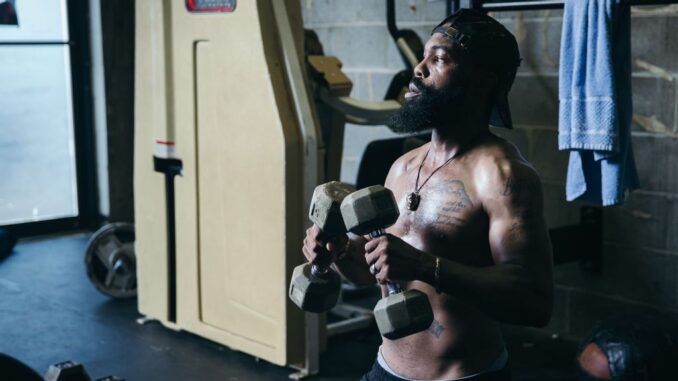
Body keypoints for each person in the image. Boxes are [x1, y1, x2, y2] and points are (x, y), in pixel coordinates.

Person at [303, 9, 553, 381]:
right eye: (423, 56)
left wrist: (425, 266)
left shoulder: (502, 175)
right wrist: (339, 251)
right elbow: (374, 273)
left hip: (464, 375)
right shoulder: (402, 166)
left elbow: (534, 301)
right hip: (385, 370)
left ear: (482, 82)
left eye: (438, 59)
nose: (418, 69)